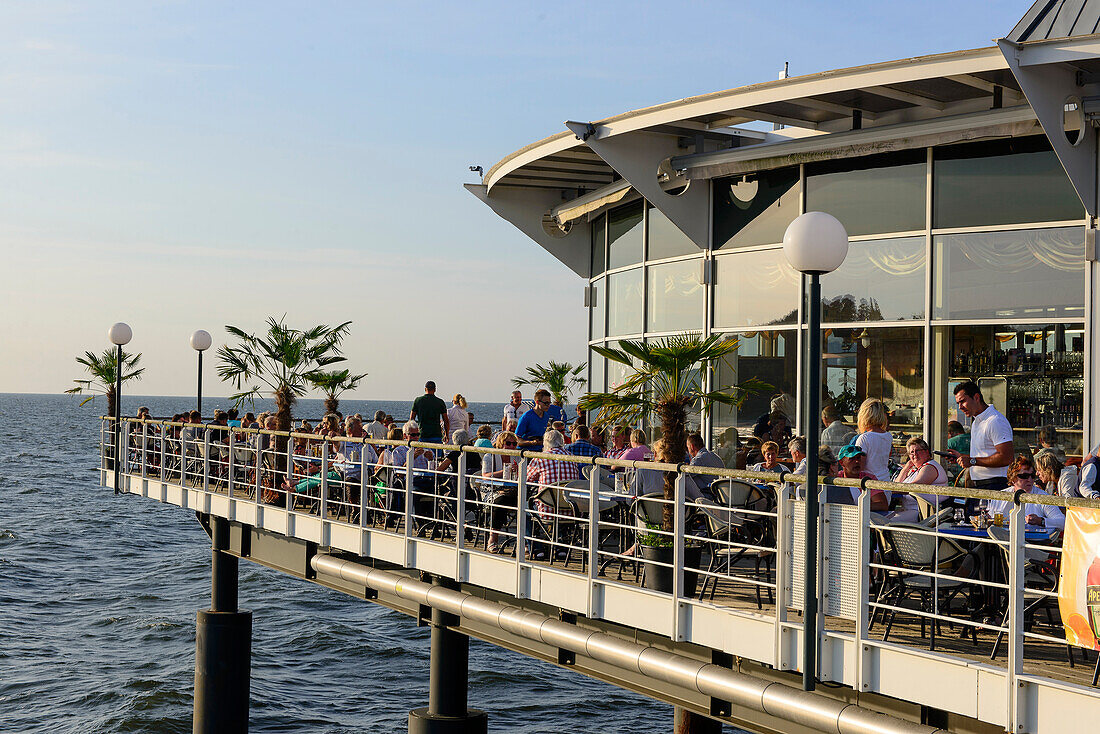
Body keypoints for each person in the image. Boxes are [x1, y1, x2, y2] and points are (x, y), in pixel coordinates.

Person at [947, 381, 1014, 491]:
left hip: (995, 484)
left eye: (963, 401)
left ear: (976, 397)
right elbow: (984, 453)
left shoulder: (995, 420)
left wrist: (972, 461)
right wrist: (961, 457)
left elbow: (1007, 457)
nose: (960, 407)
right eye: (958, 403)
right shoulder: (976, 422)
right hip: (981, 484)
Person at [986, 457, 1065, 531]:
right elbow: (991, 519)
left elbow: (1062, 522)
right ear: (1013, 478)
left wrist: (1041, 521)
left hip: (1031, 542)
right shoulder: (1001, 495)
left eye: (1032, 476)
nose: (1030, 479)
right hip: (1001, 538)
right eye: (1024, 476)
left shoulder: (1042, 497)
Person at [890, 437, 949, 522]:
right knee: (879, 519)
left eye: (918, 451)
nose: (915, 454)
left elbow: (915, 486)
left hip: (925, 513)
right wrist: (906, 468)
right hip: (909, 509)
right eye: (911, 452)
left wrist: (889, 491)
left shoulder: (930, 467)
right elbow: (896, 484)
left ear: (926, 451)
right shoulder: (914, 469)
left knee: (888, 522)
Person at [835, 445, 888, 510]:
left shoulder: (869, 479)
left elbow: (882, 504)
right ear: (842, 463)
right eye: (852, 459)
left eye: (858, 458)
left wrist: (856, 507)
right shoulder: (836, 478)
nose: (857, 462)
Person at [854, 398, 892, 483]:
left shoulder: (864, 438)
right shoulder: (888, 436)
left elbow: (859, 465)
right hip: (885, 480)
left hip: (869, 483)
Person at [686, 433, 725, 499]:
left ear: (692, 447)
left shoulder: (698, 459)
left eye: (688, 448)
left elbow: (687, 474)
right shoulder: (715, 456)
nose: (688, 451)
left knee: (685, 477)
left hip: (707, 495)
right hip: (720, 495)